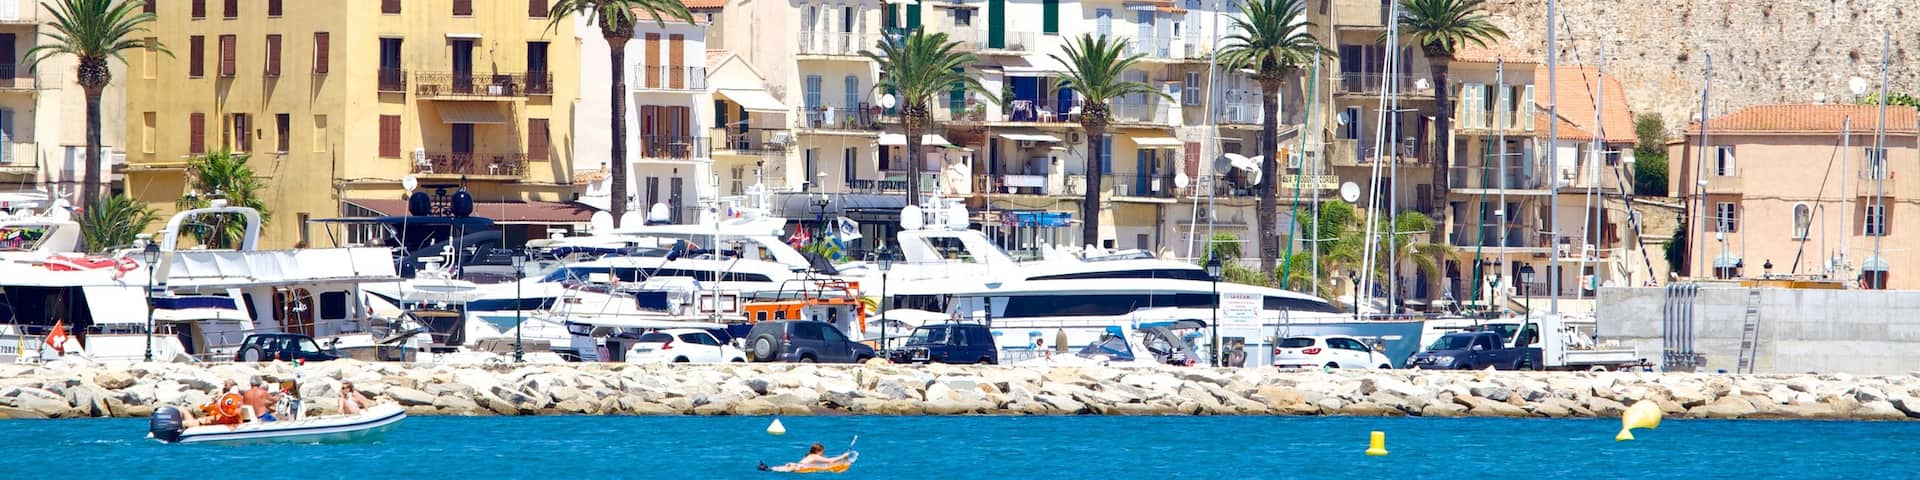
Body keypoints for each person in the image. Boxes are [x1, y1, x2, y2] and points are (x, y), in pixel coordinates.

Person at [758, 443, 851, 472]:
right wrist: (844, 456)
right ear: (818, 451)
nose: (824, 453)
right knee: (779, 470)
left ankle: (765, 467)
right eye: (823, 451)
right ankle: (766, 468)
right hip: (798, 467)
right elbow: (830, 461)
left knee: (773, 469)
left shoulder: (810, 455)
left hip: (795, 465)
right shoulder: (815, 456)